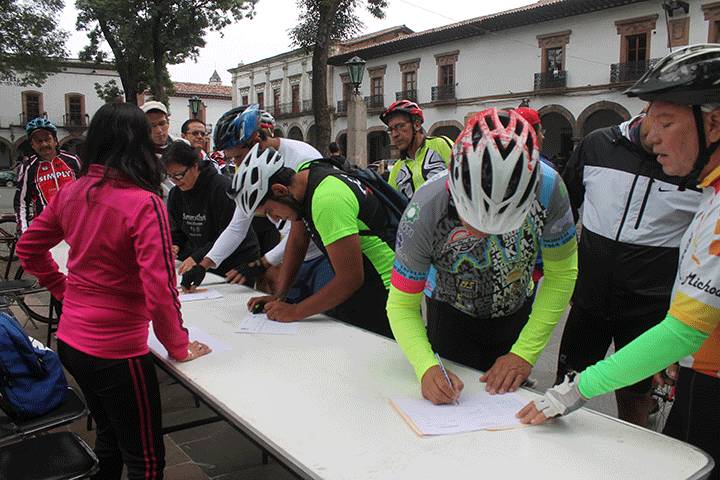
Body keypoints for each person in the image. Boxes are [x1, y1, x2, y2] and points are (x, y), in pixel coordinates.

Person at [517, 44, 720, 480]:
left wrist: (576, 391)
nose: (653, 134)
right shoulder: (710, 188)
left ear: (714, 123)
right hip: (611, 309)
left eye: (666, 122)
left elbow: (686, 328)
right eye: (649, 118)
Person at [15, 102, 211, 479]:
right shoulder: (145, 202)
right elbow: (160, 287)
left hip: (71, 342)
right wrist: (178, 345)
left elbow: (28, 249)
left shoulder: (72, 192)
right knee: (145, 460)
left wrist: (62, 289)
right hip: (118, 352)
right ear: (140, 145)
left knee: (109, 437)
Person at [387, 108, 578, 404]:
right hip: (451, 315)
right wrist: (425, 366)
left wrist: (524, 353)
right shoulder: (425, 207)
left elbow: (562, 274)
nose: (483, 234)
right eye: (470, 218)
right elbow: (401, 304)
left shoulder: (550, 187)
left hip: (515, 310)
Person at [556, 112, 701, 426]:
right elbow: (565, 212)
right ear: (648, 108)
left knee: (634, 399)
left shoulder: (690, 163)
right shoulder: (597, 144)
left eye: (670, 125)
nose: (659, 136)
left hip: (647, 309)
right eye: (660, 121)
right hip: (589, 301)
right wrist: (566, 277)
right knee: (564, 390)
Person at [181, 105, 333, 302]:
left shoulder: (303, 158)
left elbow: (304, 229)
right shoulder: (252, 165)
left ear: (257, 139)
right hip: (291, 256)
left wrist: (263, 262)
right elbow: (238, 225)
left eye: (238, 157)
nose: (237, 164)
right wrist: (204, 265)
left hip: (322, 254)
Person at [241, 145, 395, 337]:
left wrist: (295, 311)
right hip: (368, 280)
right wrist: (280, 296)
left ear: (279, 190)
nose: (275, 219)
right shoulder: (306, 177)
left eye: (270, 211)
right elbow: (297, 240)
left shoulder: (327, 201)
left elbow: (350, 278)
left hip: (385, 288)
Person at [162, 140, 261, 284]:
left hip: (235, 261)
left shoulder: (222, 188)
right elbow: (178, 231)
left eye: (179, 175)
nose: (175, 181)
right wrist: (175, 245)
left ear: (195, 166)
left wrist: (197, 258)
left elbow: (230, 232)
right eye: (170, 176)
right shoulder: (175, 194)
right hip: (202, 262)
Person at [14, 118, 81, 233]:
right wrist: (24, 231)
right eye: (38, 141)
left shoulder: (73, 160)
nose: (44, 144)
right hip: (47, 230)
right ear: (33, 145)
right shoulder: (28, 167)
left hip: (76, 226)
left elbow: (88, 191)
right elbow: (21, 203)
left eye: (47, 139)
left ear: (55, 141)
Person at [380, 100, 452, 199]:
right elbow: (392, 204)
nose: (394, 134)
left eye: (400, 126)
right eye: (391, 130)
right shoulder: (397, 168)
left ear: (417, 125)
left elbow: (465, 176)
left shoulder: (440, 145)